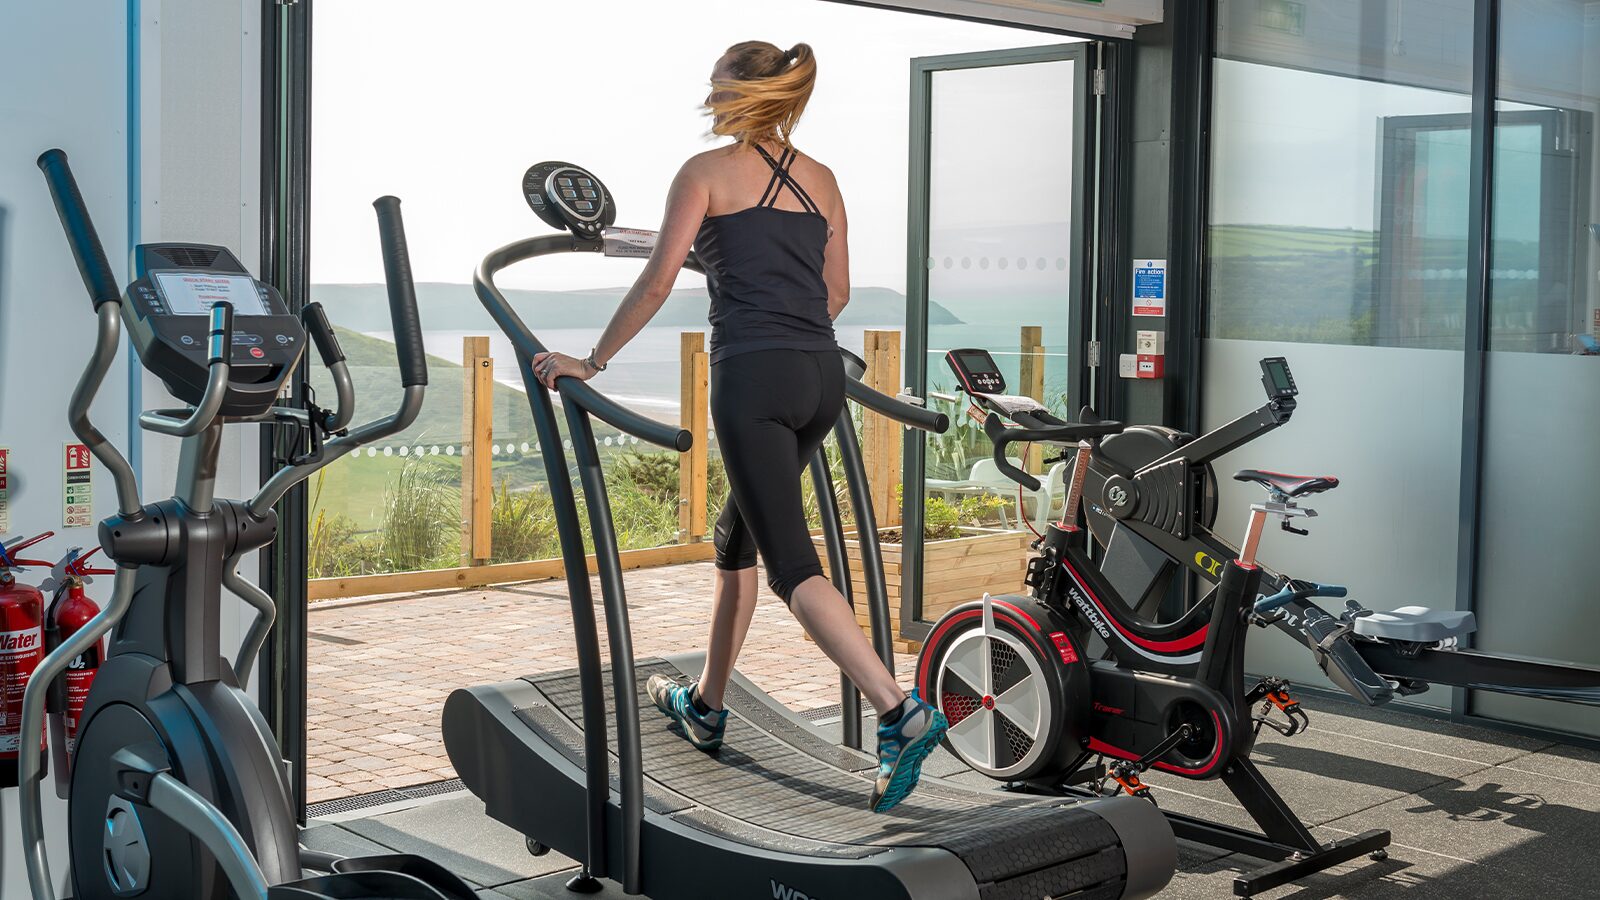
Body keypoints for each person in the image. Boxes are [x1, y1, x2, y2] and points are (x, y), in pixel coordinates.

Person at [530, 40, 946, 813]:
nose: (708, 93)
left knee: (792, 567)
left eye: (716, 82)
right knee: (738, 542)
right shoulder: (821, 178)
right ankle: (709, 706)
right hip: (820, 376)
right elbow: (838, 290)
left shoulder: (704, 173)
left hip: (752, 380)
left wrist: (593, 360)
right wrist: (775, 309)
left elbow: (657, 279)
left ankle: (899, 708)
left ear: (737, 92)